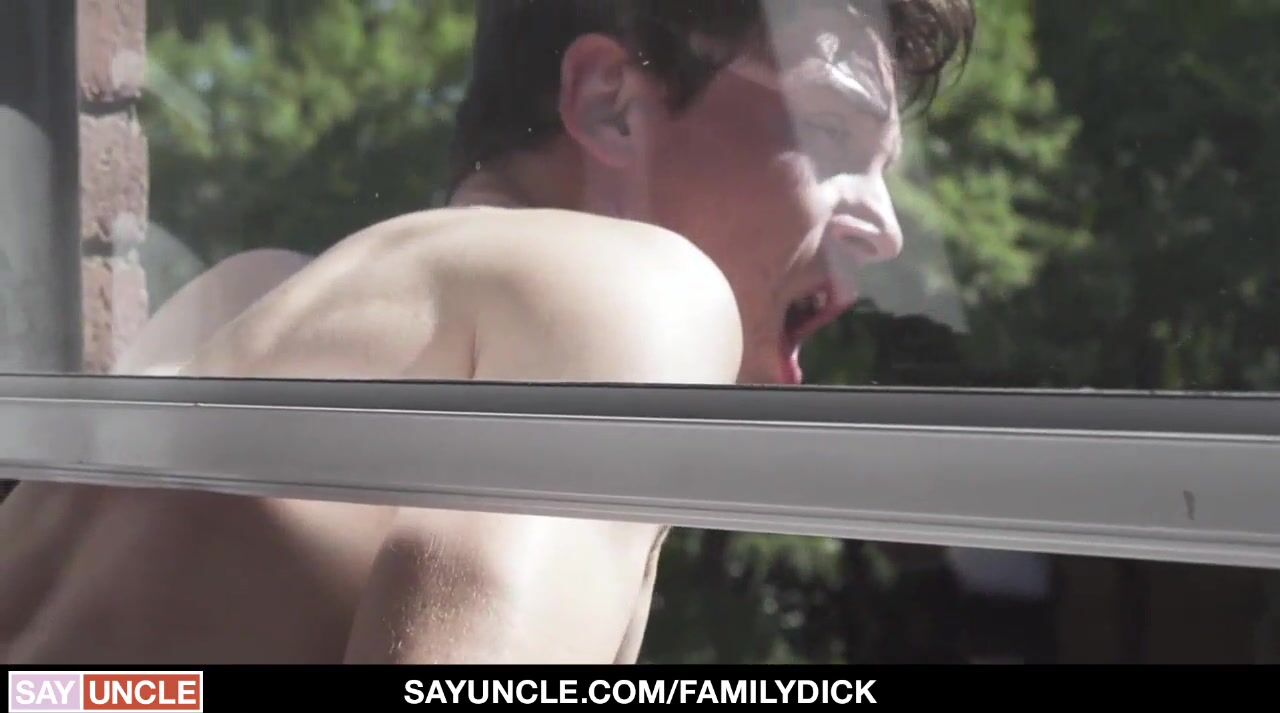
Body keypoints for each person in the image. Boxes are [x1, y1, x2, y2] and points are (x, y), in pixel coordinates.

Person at [0, 0, 973, 664]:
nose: (887, 228)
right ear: (612, 105)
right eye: (832, 132)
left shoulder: (246, 294)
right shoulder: (638, 286)